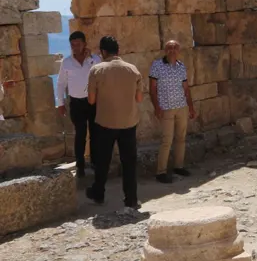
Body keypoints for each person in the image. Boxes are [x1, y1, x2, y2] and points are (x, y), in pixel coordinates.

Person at [86, 35, 143, 209]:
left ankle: (98, 193)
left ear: (103, 51)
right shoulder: (133, 70)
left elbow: (91, 100)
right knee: (129, 162)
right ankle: (131, 199)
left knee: (103, 161)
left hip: (105, 122)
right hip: (129, 122)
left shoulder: (97, 70)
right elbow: (139, 98)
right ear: (118, 51)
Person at [55, 31, 102, 178]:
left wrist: (90, 59)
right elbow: (61, 83)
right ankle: (80, 164)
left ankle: (95, 162)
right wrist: (60, 103)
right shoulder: (67, 62)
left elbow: (101, 71)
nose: (75, 47)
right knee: (80, 134)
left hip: (93, 101)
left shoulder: (94, 59)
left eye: (78, 44)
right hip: (76, 103)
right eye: (73, 45)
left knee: (95, 133)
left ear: (84, 44)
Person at [149, 40, 196, 184]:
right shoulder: (157, 65)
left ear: (179, 50)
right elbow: (152, 89)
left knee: (181, 138)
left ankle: (178, 166)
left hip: (181, 106)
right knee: (167, 140)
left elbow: (186, 89)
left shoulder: (181, 66)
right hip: (166, 108)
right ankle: (161, 172)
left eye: (175, 48)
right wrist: (156, 107)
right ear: (165, 50)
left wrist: (191, 107)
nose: (172, 50)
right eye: (169, 48)